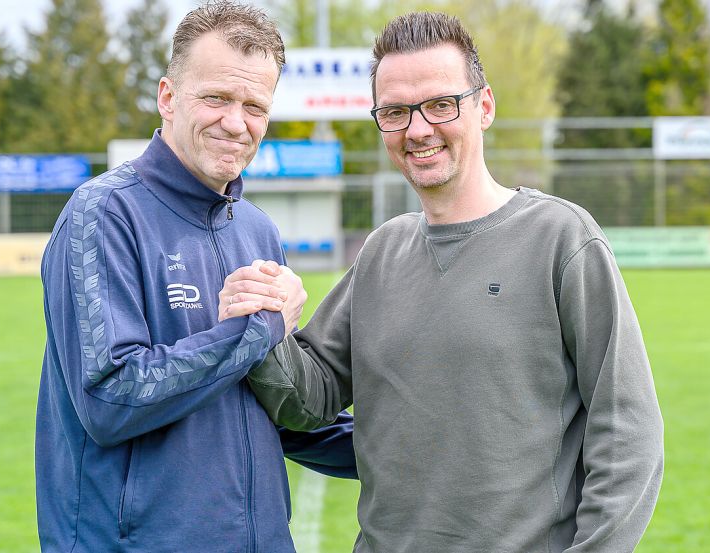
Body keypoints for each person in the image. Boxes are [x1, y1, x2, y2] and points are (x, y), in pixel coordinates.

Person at [220, 11, 664, 553]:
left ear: (485, 106)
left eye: (440, 105)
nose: (419, 129)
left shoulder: (561, 239)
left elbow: (628, 432)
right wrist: (263, 314)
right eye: (396, 112)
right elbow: (306, 401)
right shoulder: (382, 252)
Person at [34, 2, 356, 552]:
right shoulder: (103, 214)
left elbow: (278, 407)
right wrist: (258, 330)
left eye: (255, 106)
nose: (236, 122)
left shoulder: (258, 231)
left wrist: (417, 447)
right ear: (168, 97)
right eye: (217, 98)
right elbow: (112, 397)